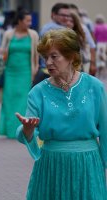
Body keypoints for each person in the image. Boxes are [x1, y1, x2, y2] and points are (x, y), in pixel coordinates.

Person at [16, 28, 107, 199]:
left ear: (71, 56)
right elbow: (27, 130)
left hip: (88, 164)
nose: (48, 62)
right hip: (51, 165)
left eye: (54, 56)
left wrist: (104, 165)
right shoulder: (37, 92)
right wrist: (27, 129)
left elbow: (106, 129)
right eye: (45, 57)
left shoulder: (94, 86)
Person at [0, 9, 39, 139]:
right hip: (10, 72)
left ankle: (22, 129)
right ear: (20, 21)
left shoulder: (33, 35)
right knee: (8, 100)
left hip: (26, 72)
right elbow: (2, 51)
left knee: (23, 100)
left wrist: (35, 69)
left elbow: (36, 55)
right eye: (27, 20)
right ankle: (10, 130)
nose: (30, 23)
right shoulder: (9, 34)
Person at [94, 14, 107, 79]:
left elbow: (95, 35)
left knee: (99, 57)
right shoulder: (106, 26)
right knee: (103, 55)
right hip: (105, 43)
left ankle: (99, 71)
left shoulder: (96, 27)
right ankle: (104, 70)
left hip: (99, 43)